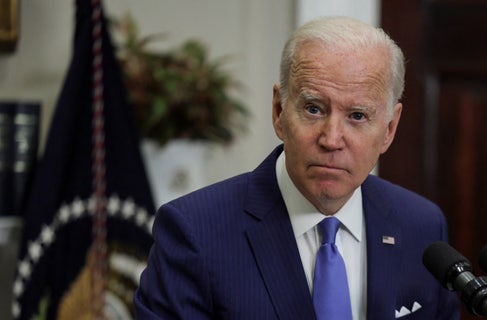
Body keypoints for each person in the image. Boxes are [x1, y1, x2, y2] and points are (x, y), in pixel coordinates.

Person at [133, 16, 460, 320]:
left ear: (389, 129)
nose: (332, 139)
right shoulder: (195, 232)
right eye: (314, 109)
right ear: (279, 111)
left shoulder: (422, 227)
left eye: (357, 116)